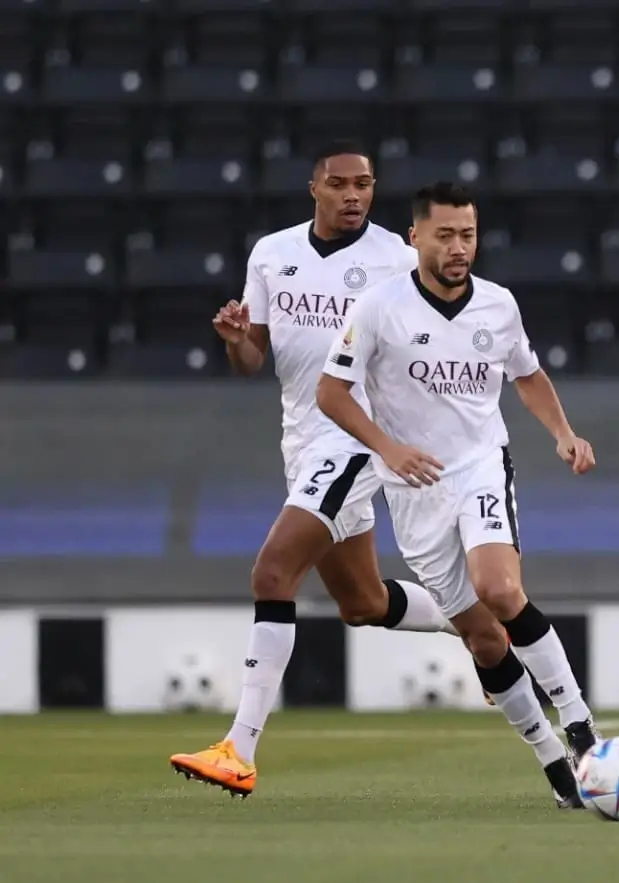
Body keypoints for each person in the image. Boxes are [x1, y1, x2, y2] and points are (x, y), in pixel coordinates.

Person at [171, 141, 458, 798]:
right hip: (302, 441)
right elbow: (253, 359)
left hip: (356, 438)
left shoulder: (394, 256)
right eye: (340, 184)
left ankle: (238, 748)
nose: (354, 194)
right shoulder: (273, 254)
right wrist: (236, 337)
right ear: (314, 189)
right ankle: (476, 621)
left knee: (273, 571)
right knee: (362, 602)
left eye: (365, 184)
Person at [316, 181, 600, 808]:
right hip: (412, 487)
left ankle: (581, 729)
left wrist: (563, 433)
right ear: (415, 236)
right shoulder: (377, 308)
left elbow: (526, 375)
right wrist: (387, 448)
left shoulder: (498, 305)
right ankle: (554, 764)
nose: (458, 247)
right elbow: (330, 394)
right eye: (444, 235)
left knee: (500, 588)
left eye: (467, 234)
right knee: (485, 640)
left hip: (478, 465)